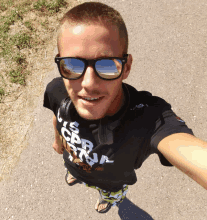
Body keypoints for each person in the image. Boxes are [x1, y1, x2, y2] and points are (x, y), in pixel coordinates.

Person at [43, 2, 207, 214]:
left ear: (126, 67)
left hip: (111, 183)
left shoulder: (149, 118)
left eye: (107, 65)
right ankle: (76, 173)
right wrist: (57, 142)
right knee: (74, 169)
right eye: (72, 65)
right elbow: (57, 117)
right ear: (60, 64)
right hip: (73, 162)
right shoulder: (57, 89)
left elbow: (190, 151)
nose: (88, 83)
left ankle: (108, 198)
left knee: (109, 193)